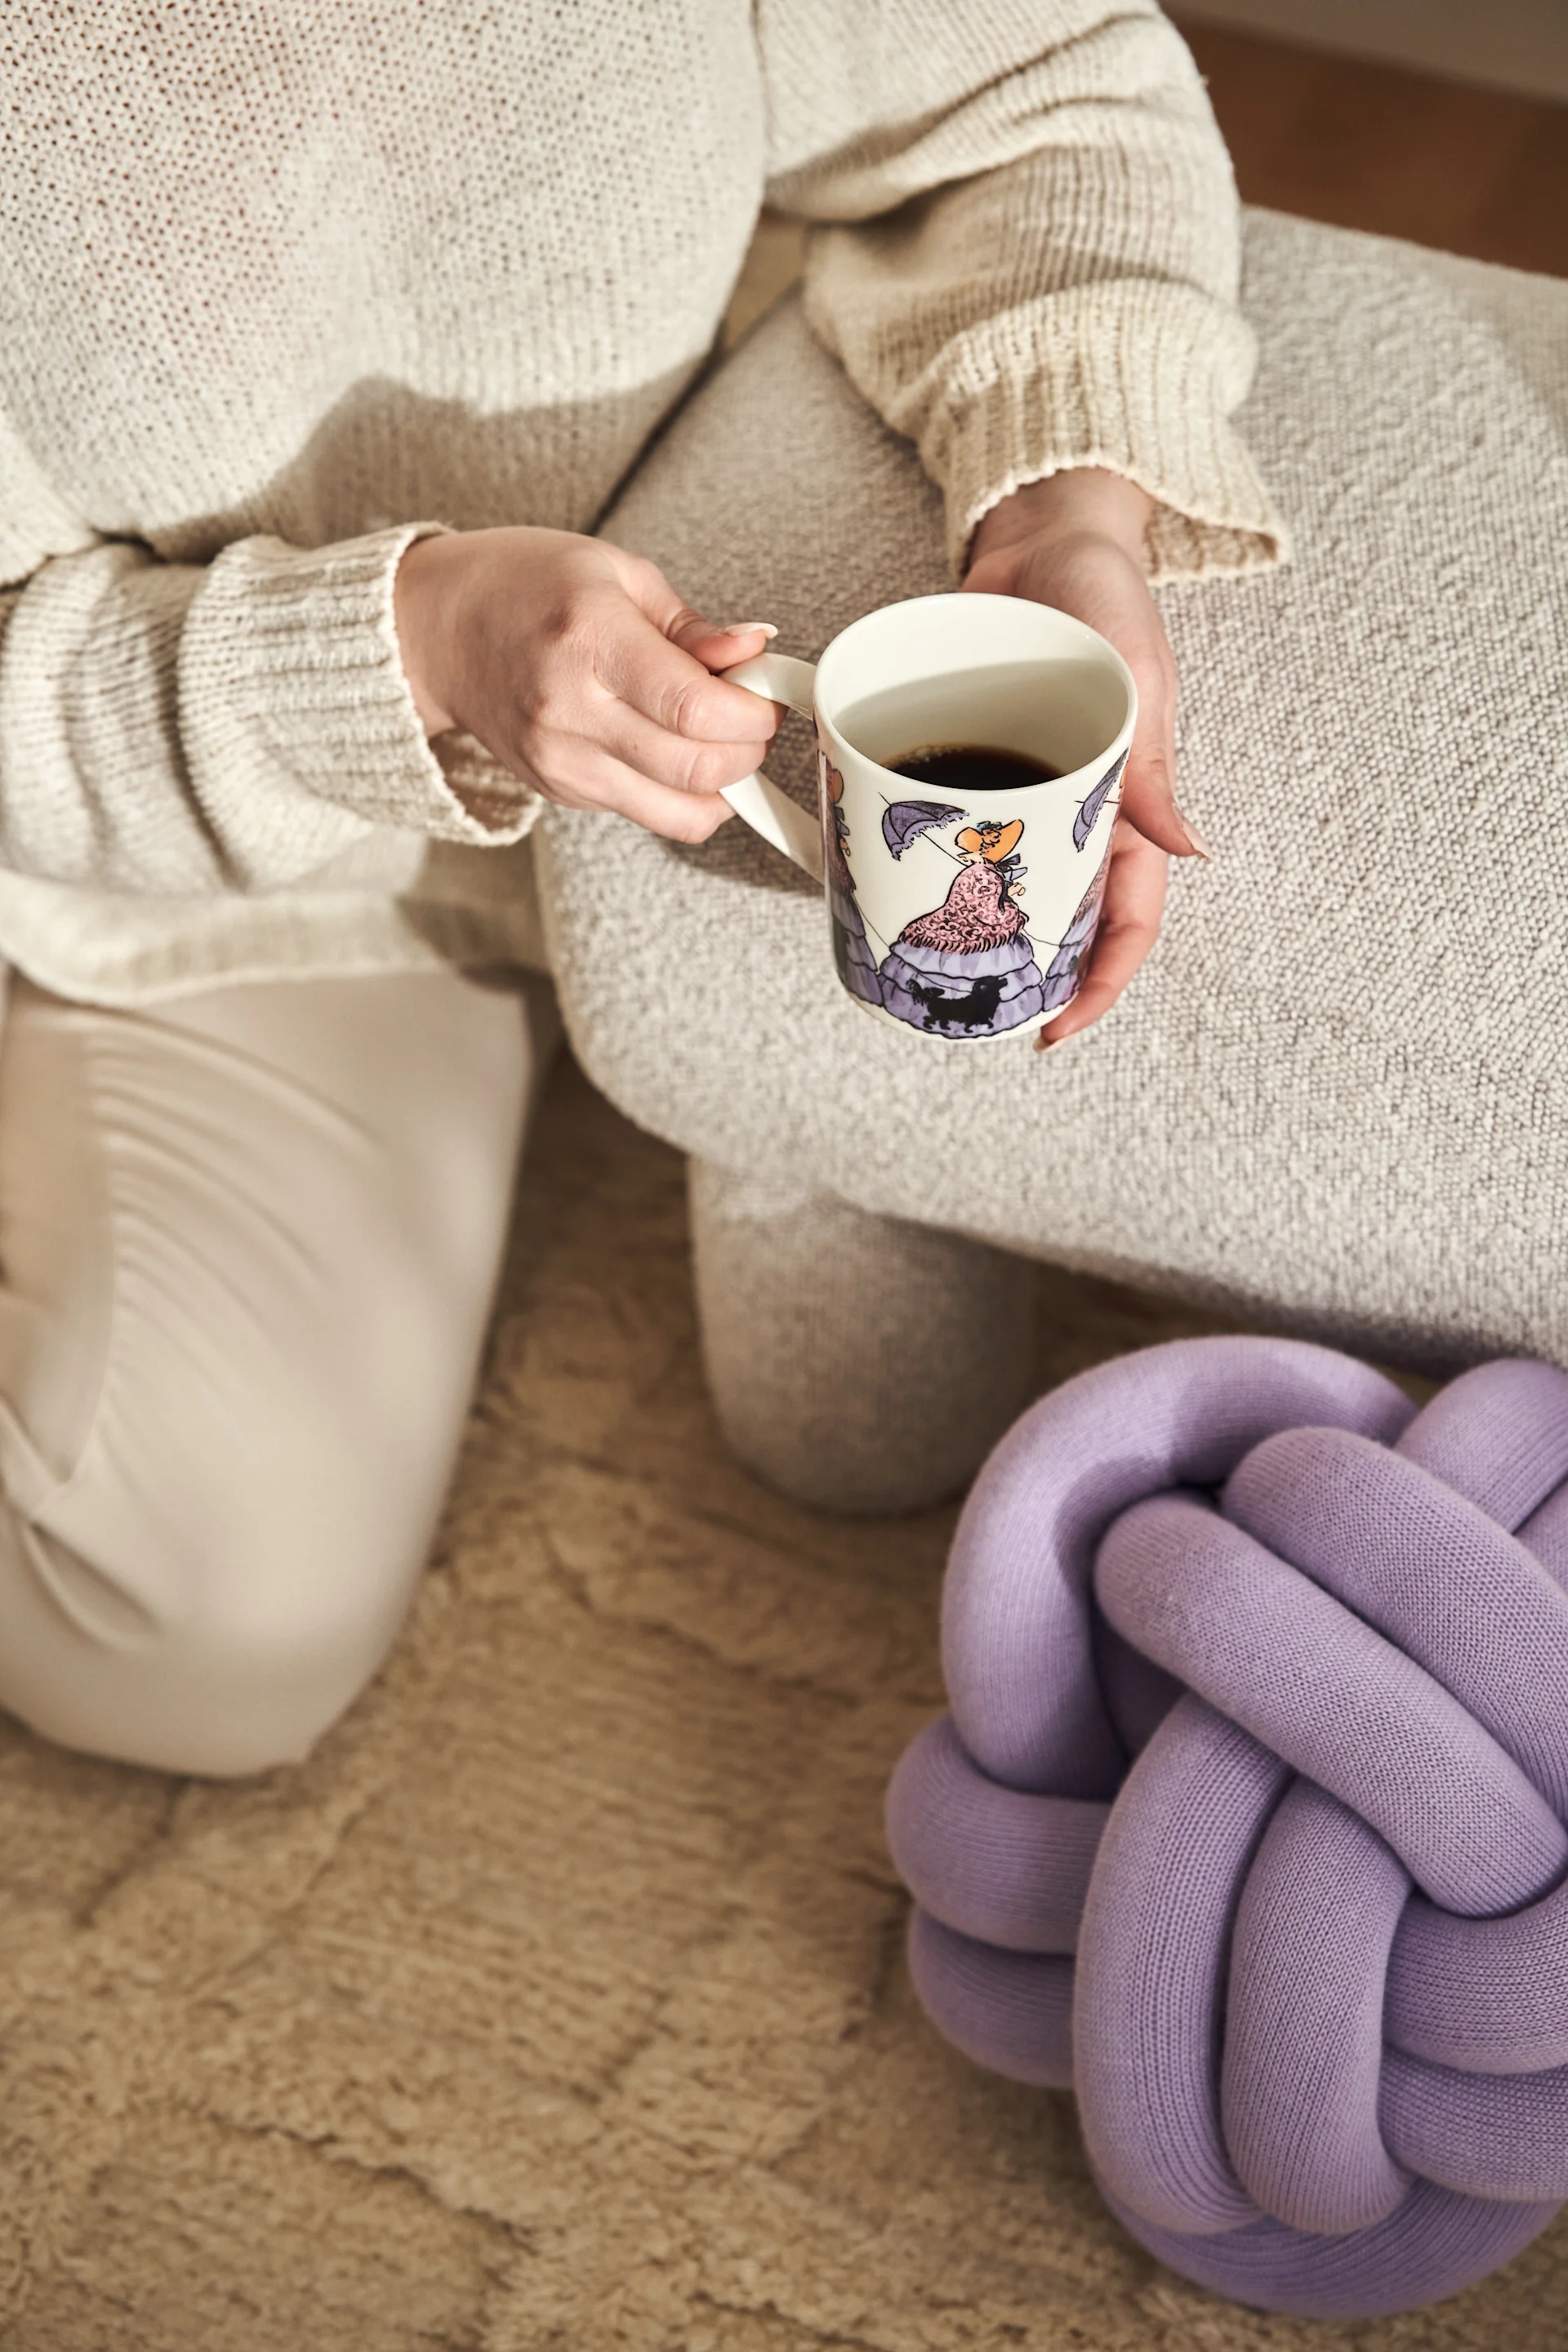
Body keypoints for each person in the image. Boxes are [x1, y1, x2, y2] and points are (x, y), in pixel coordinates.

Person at [0, 0, 1281, 1775]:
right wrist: (409, 661)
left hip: (705, 707)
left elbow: (1039, 78)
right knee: (209, 1633)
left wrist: (1070, 505)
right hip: (226, 890)